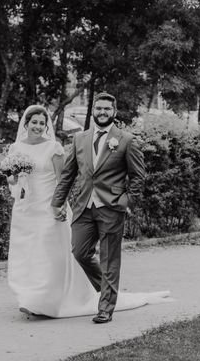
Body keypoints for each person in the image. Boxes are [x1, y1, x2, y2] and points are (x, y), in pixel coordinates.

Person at [7, 104, 169, 319]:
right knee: (50, 254)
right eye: (34, 122)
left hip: (65, 207)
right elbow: (23, 180)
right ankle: (31, 297)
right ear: (25, 124)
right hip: (29, 208)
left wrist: (126, 201)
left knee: (58, 255)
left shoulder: (55, 147)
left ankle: (97, 306)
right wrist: (15, 179)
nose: (37, 126)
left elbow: (62, 178)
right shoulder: (19, 148)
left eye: (42, 122)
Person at [51, 92, 150, 323]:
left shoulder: (126, 140)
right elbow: (68, 174)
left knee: (109, 259)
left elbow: (138, 176)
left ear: (114, 112)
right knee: (80, 252)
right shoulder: (79, 139)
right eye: (99, 109)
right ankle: (108, 289)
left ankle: (106, 307)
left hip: (111, 207)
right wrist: (57, 202)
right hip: (83, 206)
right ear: (93, 111)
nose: (102, 112)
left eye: (107, 109)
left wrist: (127, 202)